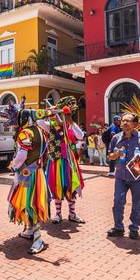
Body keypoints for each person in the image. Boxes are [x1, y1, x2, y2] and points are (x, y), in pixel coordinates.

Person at [36, 96, 86, 225]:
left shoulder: (71, 126)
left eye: (68, 113)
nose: (63, 116)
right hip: (56, 161)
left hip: (69, 162)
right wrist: (50, 112)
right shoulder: (50, 125)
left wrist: (70, 121)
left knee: (71, 186)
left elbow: (80, 136)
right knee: (56, 185)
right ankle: (58, 214)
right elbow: (39, 121)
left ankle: (72, 213)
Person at [9, 109, 51, 254]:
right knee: (32, 202)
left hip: (27, 174)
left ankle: (38, 240)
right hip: (38, 172)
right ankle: (29, 230)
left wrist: (14, 166)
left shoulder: (25, 133)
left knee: (30, 203)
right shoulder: (41, 132)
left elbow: (22, 155)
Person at [107, 113, 140, 240]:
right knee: (118, 201)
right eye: (123, 121)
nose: (124, 123)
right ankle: (118, 228)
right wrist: (115, 154)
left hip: (138, 177)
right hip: (121, 176)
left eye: (128, 121)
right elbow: (110, 155)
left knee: (137, 204)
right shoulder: (116, 138)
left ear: (135, 124)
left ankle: (134, 229)